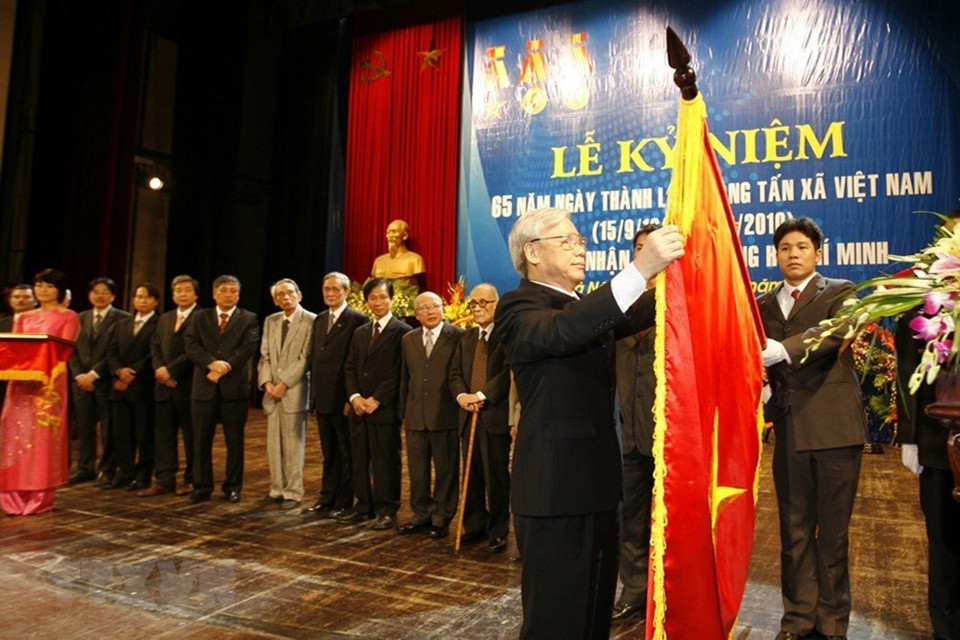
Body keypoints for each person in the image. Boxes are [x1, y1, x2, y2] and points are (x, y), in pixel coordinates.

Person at [494, 206, 683, 639]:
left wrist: (684, 268)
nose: (581, 250)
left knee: (593, 614)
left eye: (581, 241)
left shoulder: (584, 308)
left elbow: (642, 308)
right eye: (568, 241)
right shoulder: (518, 306)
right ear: (533, 253)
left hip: (599, 487)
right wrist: (641, 267)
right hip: (554, 492)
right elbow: (566, 330)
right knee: (556, 619)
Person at [758, 217, 867, 640]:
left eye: (801, 247)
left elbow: (834, 332)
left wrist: (783, 349)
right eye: (785, 248)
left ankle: (832, 623)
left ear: (817, 253)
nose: (793, 254)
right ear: (777, 255)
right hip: (788, 430)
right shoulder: (764, 304)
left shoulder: (840, 292)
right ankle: (798, 619)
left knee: (833, 534)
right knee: (794, 531)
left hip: (835, 428)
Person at [896, 310, 960, 640]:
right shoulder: (924, 311)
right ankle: (947, 630)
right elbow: (908, 376)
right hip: (940, 447)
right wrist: (909, 437)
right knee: (944, 543)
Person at [0, 269, 79, 514]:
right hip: (20, 383)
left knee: (43, 438)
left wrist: (41, 368)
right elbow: (15, 348)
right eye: (39, 286)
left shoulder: (69, 316)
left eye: (48, 286)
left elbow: (64, 350)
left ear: (59, 290)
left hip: (49, 383)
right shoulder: (23, 317)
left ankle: (39, 496)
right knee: (14, 434)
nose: (42, 290)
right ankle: (11, 495)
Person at [611, 225, 660, 625]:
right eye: (640, 249)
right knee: (631, 520)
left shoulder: (682, 305)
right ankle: (634, 590)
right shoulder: (616, 305)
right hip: (625, 435)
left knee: (671, 523)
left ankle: (669, 592)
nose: (648, 254)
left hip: (670, 438)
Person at [340, 278, 411, 528]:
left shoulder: (402, 331)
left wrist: (377, 398)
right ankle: (364, 505)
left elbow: (398, 371)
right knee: (359, 457)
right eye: (373, 298)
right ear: (366, 301)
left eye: (383, 297)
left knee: (385, 460)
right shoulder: (360, 333)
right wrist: (355, 397)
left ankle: (387, 508)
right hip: (359, 408)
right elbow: (349, 367)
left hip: (385, 408)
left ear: (392, 299)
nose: (378, 302)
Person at [184, 274, 259, 505]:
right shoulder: (199, 317)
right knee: (200, 440)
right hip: (204, 386)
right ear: (214, 293)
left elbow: (247, 348)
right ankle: (201, 486)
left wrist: (224, 366)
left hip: (234, 389)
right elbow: (191, 345)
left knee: (234, 441)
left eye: (233, 291)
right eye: (224, 290)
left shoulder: (249, 318)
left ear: (239, 294)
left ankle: (233, 486)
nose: (229, 295)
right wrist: (211, 363)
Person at [449, 283, 512, 553]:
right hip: (467, 416)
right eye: (473, 303)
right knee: (471, 475)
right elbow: (454, 374)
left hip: (493, 416)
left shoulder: (507, 336)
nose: (477, 308)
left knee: (495, 476)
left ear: (496, 304)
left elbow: (508, 374)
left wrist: (482, 395)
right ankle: (475, 525)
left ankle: (498, 530)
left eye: (483, 303)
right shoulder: (465, 338)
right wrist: (462, 396)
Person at [396, 291, 463, 538]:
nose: (431, 311)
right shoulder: (408, 339)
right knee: (417, 471)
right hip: (415, 416)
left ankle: (441, 517)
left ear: (443, 308)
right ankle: (419, 514)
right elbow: (405, 378)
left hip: (445, 415)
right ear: (416, 314)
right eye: (424, 308)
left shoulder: (458, 336)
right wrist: (403, 411)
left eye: (435, 306)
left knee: (446, 470)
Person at [307, 272, 369, 517]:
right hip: (322, 397)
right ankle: (327, 496)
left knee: (346, 452)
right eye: (326, 290)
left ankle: (344, 500)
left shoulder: (357, 319)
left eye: (336, 289)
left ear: (346, 292)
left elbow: (355, 363)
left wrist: (349, 397)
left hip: (343, 398)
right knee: (328, 451)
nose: (330, 294)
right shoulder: (320, 319)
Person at [257, 278, 316, 510]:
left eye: (290, 293)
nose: (286, 297)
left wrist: (284, 383)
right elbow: (265, 355)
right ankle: (276, 488)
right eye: (280, 294)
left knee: (293, 444)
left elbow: (306, 358)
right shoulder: (271, 321)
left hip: (294, 390)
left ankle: (293, 491)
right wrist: (267, 383)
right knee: (273, 444)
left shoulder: (311, 320)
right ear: (275, 299)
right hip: (271, 392)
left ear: (299, 295)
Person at [140, 275, 201, 497]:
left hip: (188, 385)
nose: (182, 294)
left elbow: (194, 350)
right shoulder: (164, 318)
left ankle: (193, 479)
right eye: (178, 291)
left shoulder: (202, 317)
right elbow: (154, 347)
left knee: (192, 435)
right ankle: (164, 479)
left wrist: (171, 370)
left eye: (187, 290)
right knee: (163, 435)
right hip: (163, 386)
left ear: (196, 294)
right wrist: (159, 369)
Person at [68, 277, 130, 484]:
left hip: (106, 382)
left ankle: (107, 468)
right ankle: (85, 467)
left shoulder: (123, 318)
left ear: (113, 296)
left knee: (108, 429)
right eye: (96, 292)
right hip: (81, 383)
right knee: (84, 428)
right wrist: (79, 375)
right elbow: (70, 350)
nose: (100, 296)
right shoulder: (79, 317)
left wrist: (94, 374)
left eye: (105, 292)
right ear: (89, 295)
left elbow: (115, 352)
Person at [105, 283, 160, 491]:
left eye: (147, 297)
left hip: (143, 386)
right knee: (121, 433)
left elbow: (151, 354)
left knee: (144, 434)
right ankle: (125, 472)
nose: (142, 300)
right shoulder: (122, 323)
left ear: (155, 301)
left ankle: (143, 475)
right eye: (138, 296)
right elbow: (111, 352)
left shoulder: (159, 323)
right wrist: (118, 371)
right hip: (119, 386)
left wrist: (131, 374)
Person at [0, 285, 37, 409]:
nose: (20, 300)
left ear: (36, 301)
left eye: (26, 297)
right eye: (16, 297)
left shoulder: (41, 324)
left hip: (32, 377)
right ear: (10, 301)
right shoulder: (2, 323)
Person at [371, 220, 426, 284]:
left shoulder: (415, 260)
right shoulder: (378, 261)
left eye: (394, 232)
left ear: (405, 236)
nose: (390, 236)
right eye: (388, 233)